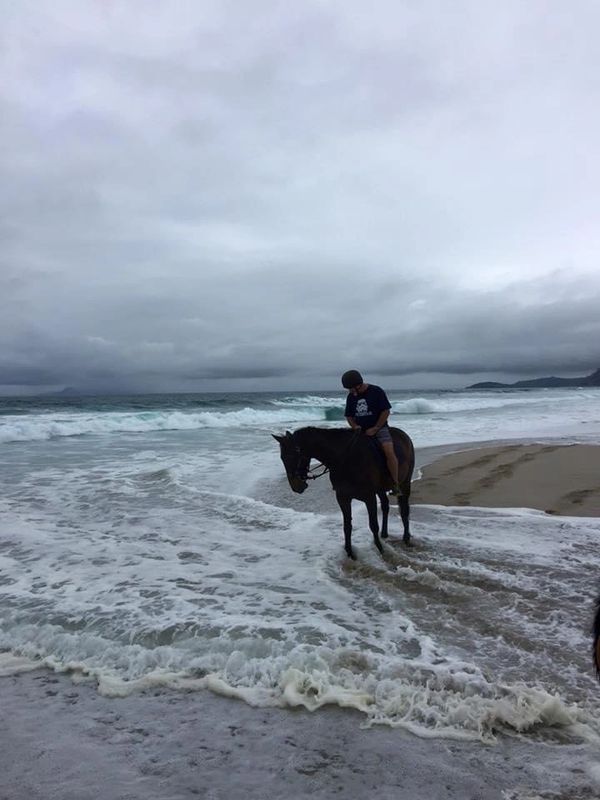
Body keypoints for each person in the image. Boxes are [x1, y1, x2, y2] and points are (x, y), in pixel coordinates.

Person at [341, 369, 401, 495]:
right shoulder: (351, 397)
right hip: (360, 431)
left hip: (380, 429)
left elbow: (386, 411)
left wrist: (376, 428)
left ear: (358, 385)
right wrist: (355, 426)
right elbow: (349, 416)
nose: (350, 391)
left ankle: (395, 484)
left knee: (388, 451)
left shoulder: (376, 391)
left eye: (351, 388)